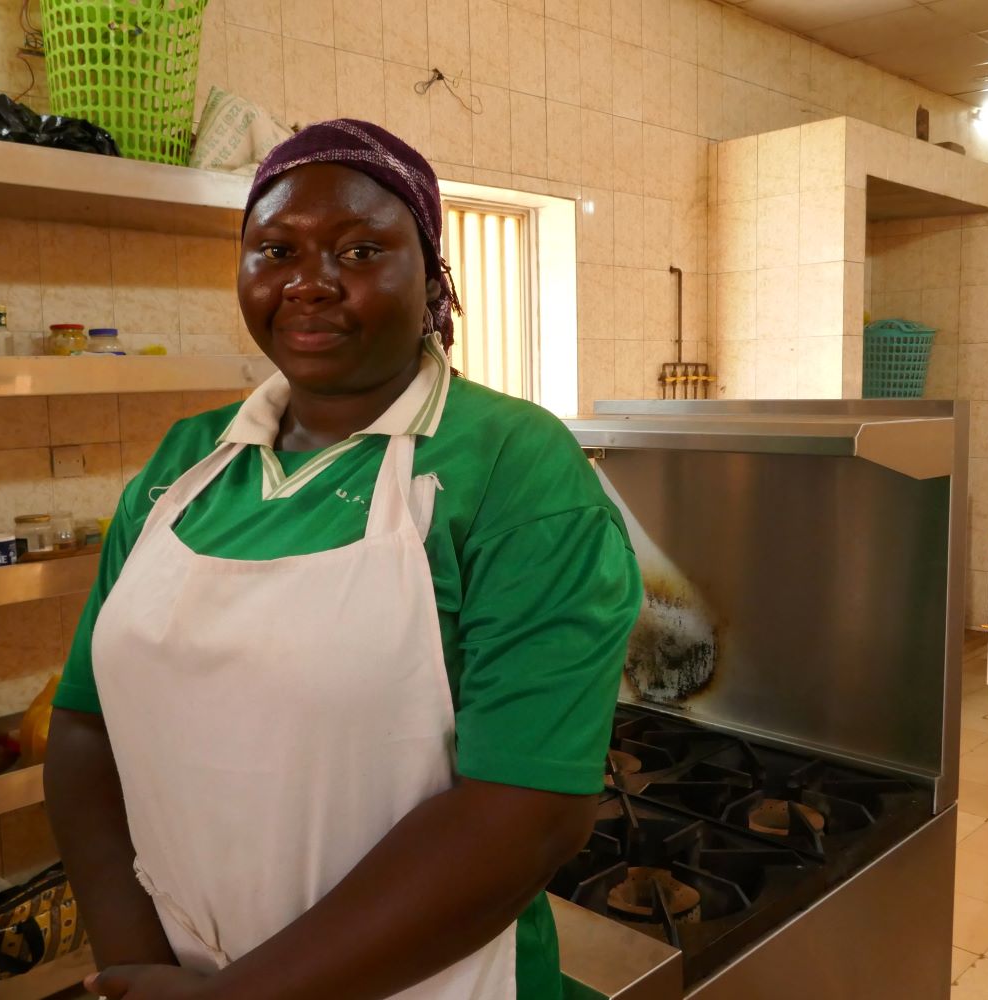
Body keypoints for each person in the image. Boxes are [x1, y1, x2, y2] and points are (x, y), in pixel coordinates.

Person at [43, 119, 643, 1000]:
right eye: (274, 249)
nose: (309, 283)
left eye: (361, 249)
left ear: (432, 276)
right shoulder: (186, 465)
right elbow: (85, 729)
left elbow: (527, 816)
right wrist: (136, 967)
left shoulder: (514, 467)